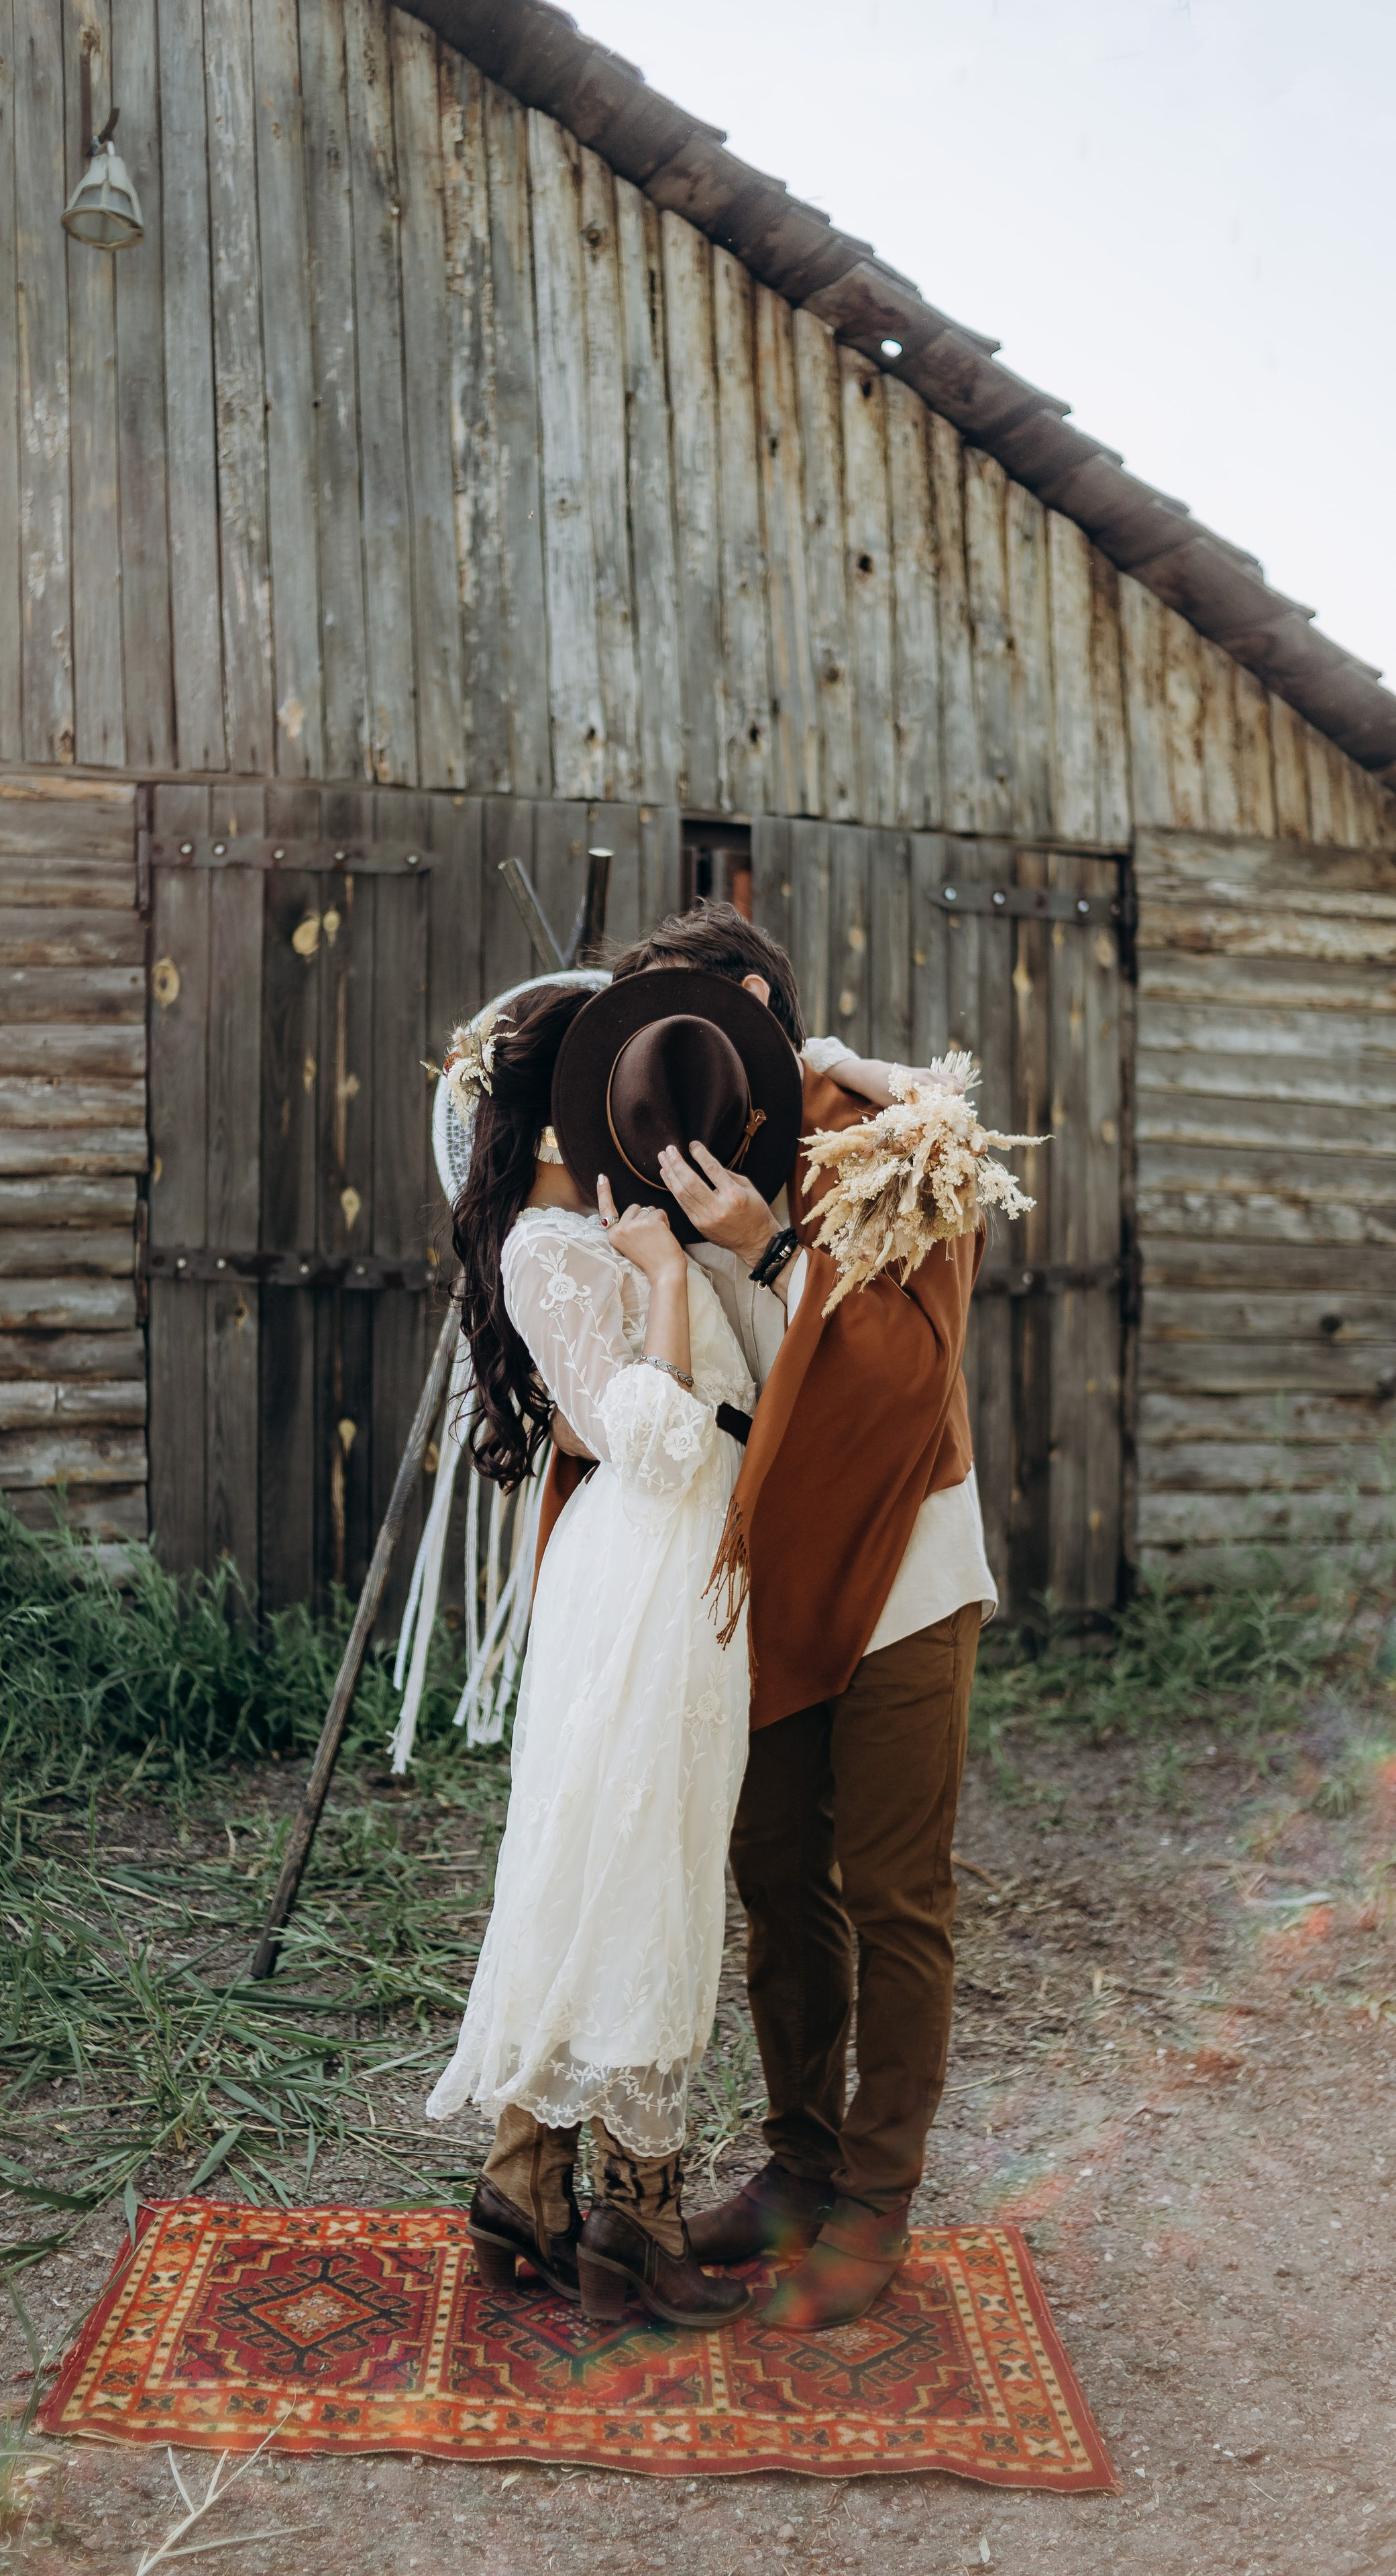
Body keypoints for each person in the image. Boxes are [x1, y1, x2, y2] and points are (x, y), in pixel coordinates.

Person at [606, 901, 998, 2332]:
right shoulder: (667, 1141)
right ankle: (795, 2165)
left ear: (761, 1010)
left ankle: (875, 2204)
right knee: (772, 1879)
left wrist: (772, 1251)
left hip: (900, 1569)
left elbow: (901, 1379)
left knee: (894, 1893)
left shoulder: (897, 1145)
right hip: (763, 1576)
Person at [426, 973, 798, 2331]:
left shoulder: (630, 1229)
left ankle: (526, 2181)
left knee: (633, 1860)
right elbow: (647, 1439)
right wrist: (654, 1276)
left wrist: (704, 1257)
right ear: (547, 1118)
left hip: (689, 1573)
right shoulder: (543, 1251)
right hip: (637, 1573)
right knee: (636, 1874)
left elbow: (744, 1395)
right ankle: (634, 2220)